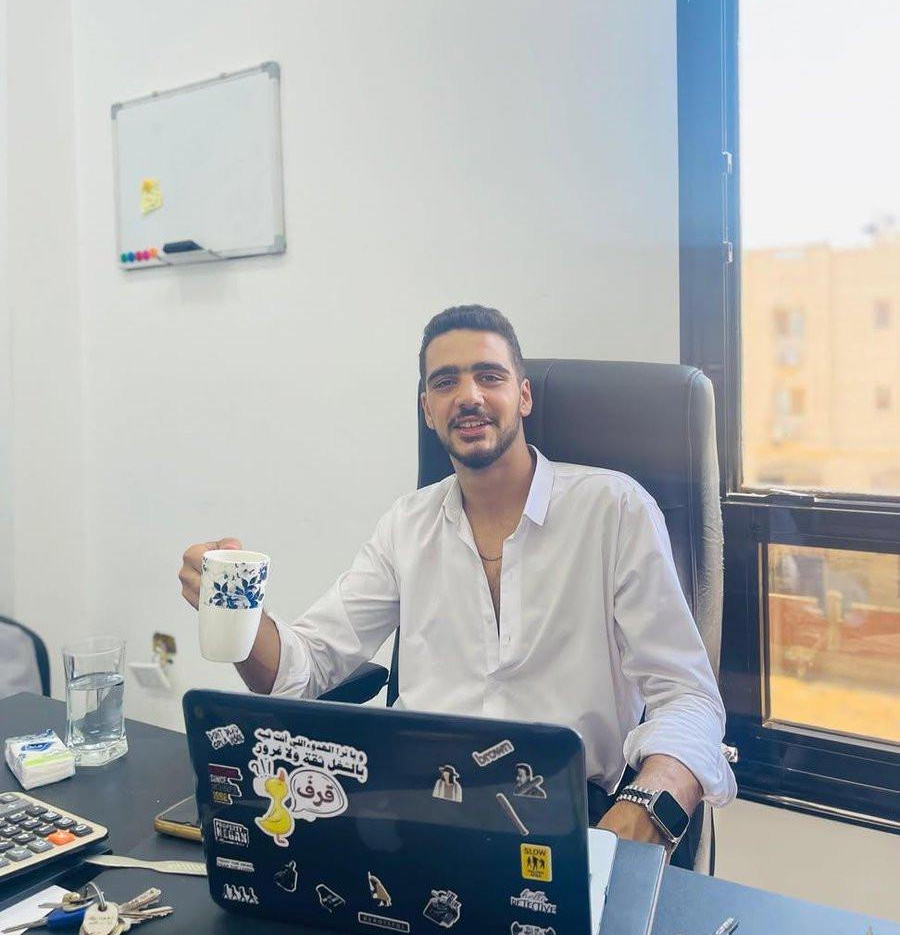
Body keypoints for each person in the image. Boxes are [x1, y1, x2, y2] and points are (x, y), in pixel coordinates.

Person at [180, 304, 736, 861]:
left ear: (523, 396)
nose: (468, 396)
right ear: (428, 408)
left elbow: (688, 698)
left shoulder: (614, 509)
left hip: (562, 817)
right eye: (445, 382)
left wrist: (642, 812)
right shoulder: (407, 524)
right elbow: (302, 669)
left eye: (489, 376)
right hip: (415, 813)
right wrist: (235, 615)